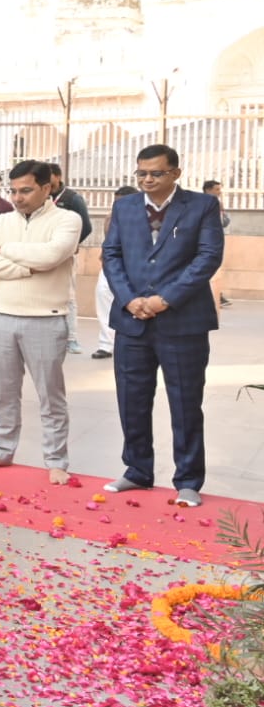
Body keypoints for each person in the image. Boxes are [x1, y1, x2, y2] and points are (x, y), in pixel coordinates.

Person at [101, 144, 225, 508]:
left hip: (182, 321)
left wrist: (165, 299)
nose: (147, 179)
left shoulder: (201, 206)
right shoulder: (125, 207)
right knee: (132, 398)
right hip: (132, 320)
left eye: (155, 173)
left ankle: (187, 480)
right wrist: (128, 299)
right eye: (141, 173)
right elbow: (111, 254)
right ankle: (137, 470)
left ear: (175, 173)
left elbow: (207, 257)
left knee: (185, 402)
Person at [0, 159, 81, 485]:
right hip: (3, 316)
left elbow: (52, 256)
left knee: (51, 396)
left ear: (47, 188)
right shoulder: (1, 220)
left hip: (46, 320)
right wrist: (24, 267)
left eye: (26, 190)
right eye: (14, 191)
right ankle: (3, 450)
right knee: (5, 393)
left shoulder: (68, 219)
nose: (18, 197)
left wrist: (6, 251)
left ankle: (56, 460)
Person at [47, 163, 93, 355]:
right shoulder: (42, 197)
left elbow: (87, 226)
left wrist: (70, 246)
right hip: (43, 253)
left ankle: (71, 338)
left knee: (69, 296)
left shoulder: (72, 199)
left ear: (57, 177)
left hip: (65, 256)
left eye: (48, 177)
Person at [92, 185, 139, 360]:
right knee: (103, 295)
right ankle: (106, 345)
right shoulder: (111, 218)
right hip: (111, 265)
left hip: (135, 267)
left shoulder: (148, 220)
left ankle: (128, 343)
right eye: (116, 203)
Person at [203, 179, 233, 309]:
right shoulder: (200, 203)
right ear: (208, 190)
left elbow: (224, 223)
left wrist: (223, 211)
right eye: (217, 189)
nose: (219, 192)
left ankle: (218, 296)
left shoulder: (217, 203)